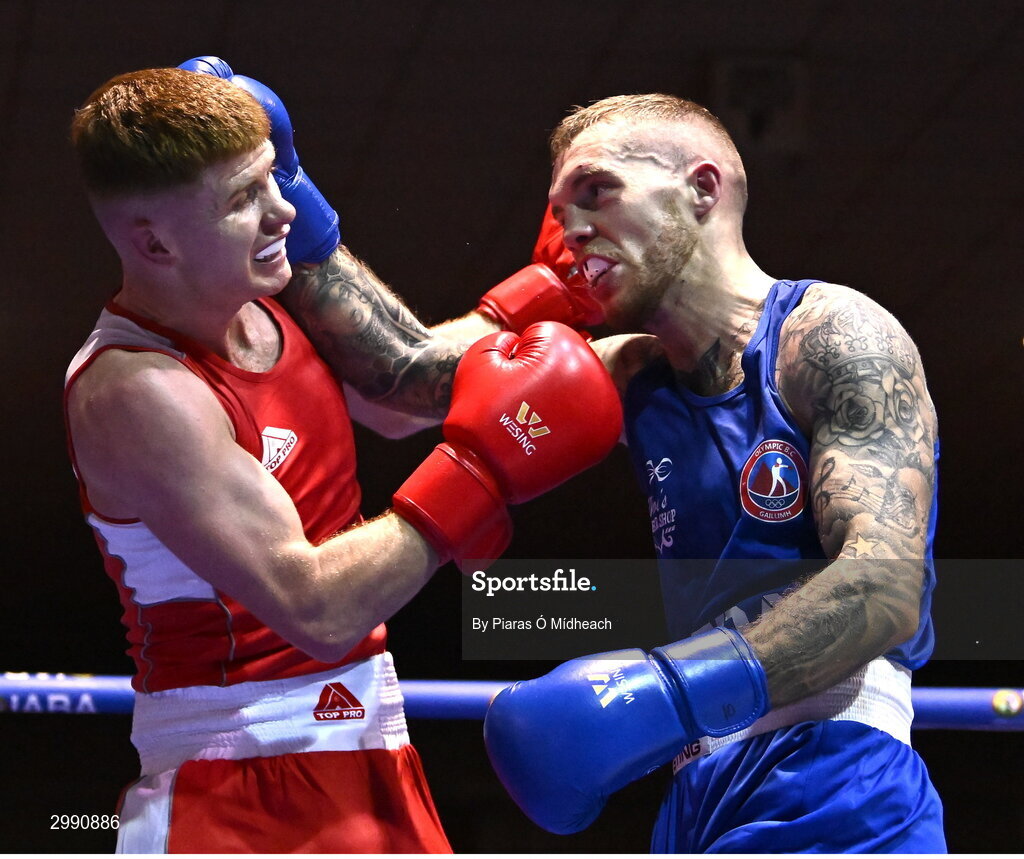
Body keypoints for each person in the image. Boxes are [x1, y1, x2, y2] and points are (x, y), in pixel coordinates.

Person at [64, 62, 622, 853]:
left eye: (269, 179)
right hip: (236, 781)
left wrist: (550, 292)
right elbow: (315, 607)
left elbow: (397, 394)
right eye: (242, 200)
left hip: (369, 744)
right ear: (153, 240)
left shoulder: (266, 299)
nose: (282, 210)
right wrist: (482, 474)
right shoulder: (137, 391)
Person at [484, 94, 946, 853]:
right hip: (695, 790)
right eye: (559, 210)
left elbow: (884, 586)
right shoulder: (630, 376)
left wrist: (666, 690)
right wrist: (298, 212)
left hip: (831, 776)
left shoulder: (828, 335)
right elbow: (407, 378)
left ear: (702, 188)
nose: (568, 232)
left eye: (594, 192)